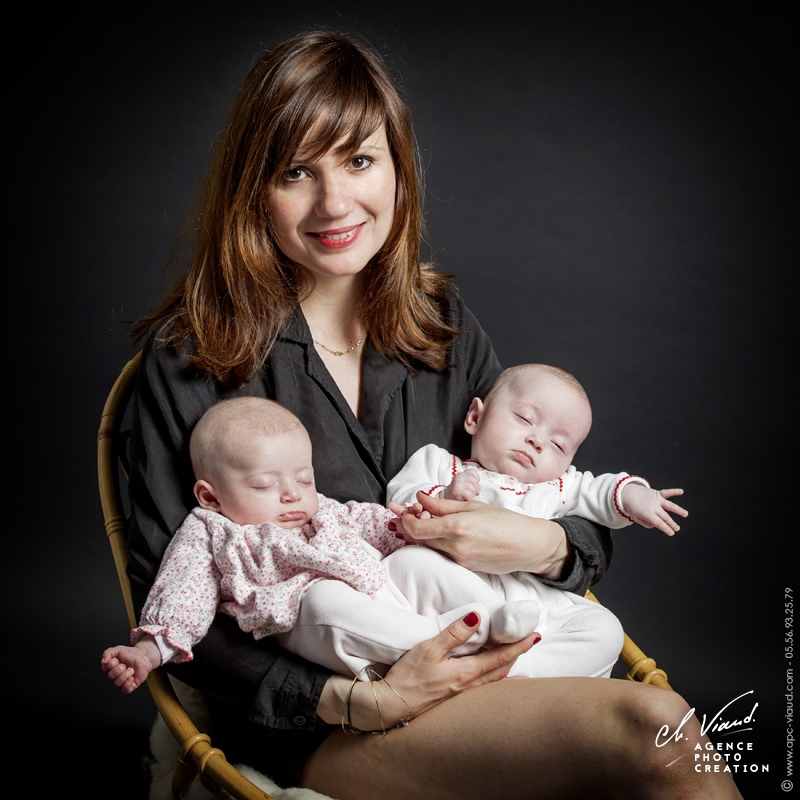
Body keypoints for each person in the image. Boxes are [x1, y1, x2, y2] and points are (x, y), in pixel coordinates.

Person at [123, 29, 742, 799]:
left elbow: (549, 495)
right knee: (656, 734)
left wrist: (544, 541)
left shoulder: (442, 325)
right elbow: (173, 603)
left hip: (476, 654)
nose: (335, 202)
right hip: (327, 721)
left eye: (358, 160)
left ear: (397, 167)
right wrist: (362, 698)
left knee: (657, 721)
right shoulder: (188, 361)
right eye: (296, 172)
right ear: (255, 188)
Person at [102, 397, 538, 694]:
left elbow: (373, 522)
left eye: (304, 478)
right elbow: (184, 591)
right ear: (210, 496)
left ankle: (490, 617)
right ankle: (451, 645)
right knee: (328, 601)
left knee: (417, 560)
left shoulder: (322, 510)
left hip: (381, 592)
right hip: (305, 615)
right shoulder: (212, 531)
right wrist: (149, 650)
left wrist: (410, 524)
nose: (292, 494)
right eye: (265, 484)